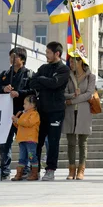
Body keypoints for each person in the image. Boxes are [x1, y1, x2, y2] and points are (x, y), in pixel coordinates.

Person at [0, 47, 34, 180]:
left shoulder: (29, 74)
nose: (12, 59)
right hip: (6, 114)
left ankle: (26, 169)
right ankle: (4, 170)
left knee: (25, 143)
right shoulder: (5, 74)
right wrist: (4, 88)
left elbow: (34, 91)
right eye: (11, 57)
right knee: (4, 144)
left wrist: (19, 93)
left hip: (23, 114)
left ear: (23, 59)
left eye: (15, 57)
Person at [29, 42, 71, 181]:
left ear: (56, 53)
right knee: (37, 141)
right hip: (41, 110)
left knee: (53, 142)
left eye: (48, 52)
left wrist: (41, 80)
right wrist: (44, 81)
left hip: (56, 110)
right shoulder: (43, 67)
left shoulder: (64, 69)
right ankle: (35, 169)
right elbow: (32, 83)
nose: (46, 55)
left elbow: (56, 84)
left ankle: (51, 169)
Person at [62, 56, 96, 180]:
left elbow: (89, 94)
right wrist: (72, 95)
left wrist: (73, 100)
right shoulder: (67, 76)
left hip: (84, 112)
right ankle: (71, 169)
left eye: (73, 61)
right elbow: (64, 93)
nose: (70, 64)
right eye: (70, 61)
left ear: (80, 61)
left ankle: (81, 169)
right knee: (71, 142)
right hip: (70, 112)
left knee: (83, 142)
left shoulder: (90, 76)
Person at [10, 95, 40, 181]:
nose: (23, 105)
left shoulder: (34, 114)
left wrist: (18, 120)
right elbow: (20, 125)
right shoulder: (23, 114)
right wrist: (15, 121)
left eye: (25, 104)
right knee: (22, 157)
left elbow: (28, 123)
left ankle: (34, 174)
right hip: (22, 139)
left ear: (32, 105)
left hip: (30, 140)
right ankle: (19, 173)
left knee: (31, 156)